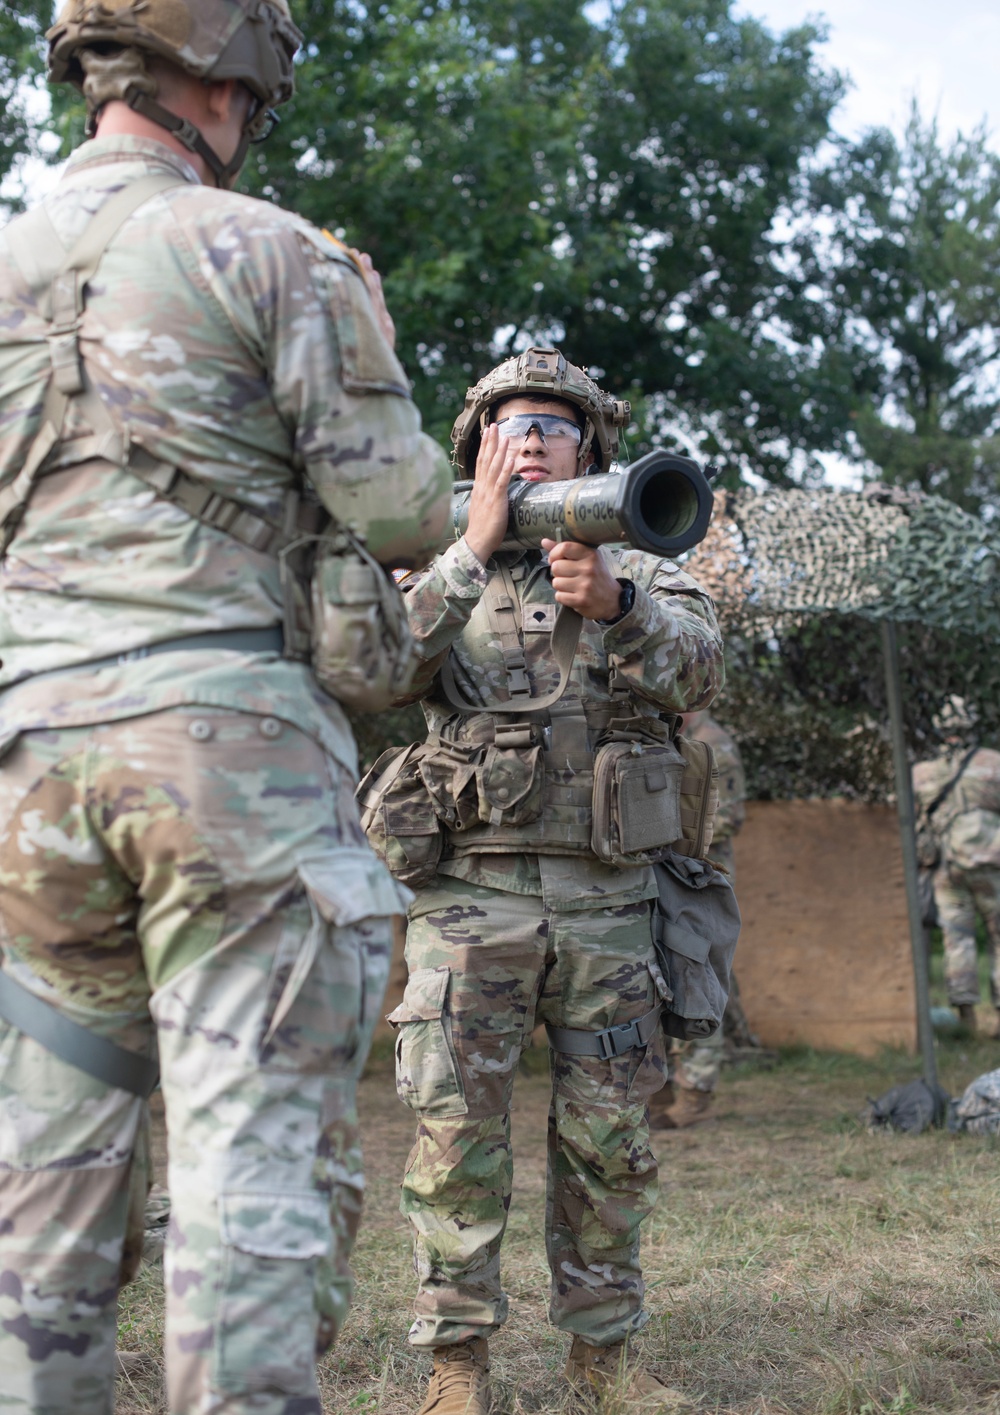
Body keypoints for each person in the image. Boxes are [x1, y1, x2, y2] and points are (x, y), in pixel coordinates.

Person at [0, 4, 450, 1412]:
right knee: (247, 1192)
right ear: (227, 72)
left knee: (46, 1211)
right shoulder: (266, 249)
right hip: (224, 767)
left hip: (29, 768)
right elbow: (401, 506)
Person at [379, 346, 724, 1413]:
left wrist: (622, 606)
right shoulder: (428, 549)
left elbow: (706, 673)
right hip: (466, 901)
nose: (530, 436)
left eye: (554, 423)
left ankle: (603, 1361)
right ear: (479, 444)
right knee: (453, 1138)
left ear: (591, 446)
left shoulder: (645, 558)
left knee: (609, 1143)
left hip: (608, 901)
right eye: (509, 421)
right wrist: (465, 558)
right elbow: (371, 672)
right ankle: (456, 1363)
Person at [650, 710, 747, 1129]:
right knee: (655, 974)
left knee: (695, 973)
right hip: (657, 870)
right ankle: (662, 1087)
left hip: (697, 876)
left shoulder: (712, 741)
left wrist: (667, 830)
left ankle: (696, 1090)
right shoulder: (655, 732)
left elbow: (729, 817)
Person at [912, 699, 1000, 1035]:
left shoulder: (923, 772)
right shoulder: (994, 763)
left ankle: (967, 1019)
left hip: (946, 866)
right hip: (992, 864)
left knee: (957, 939)